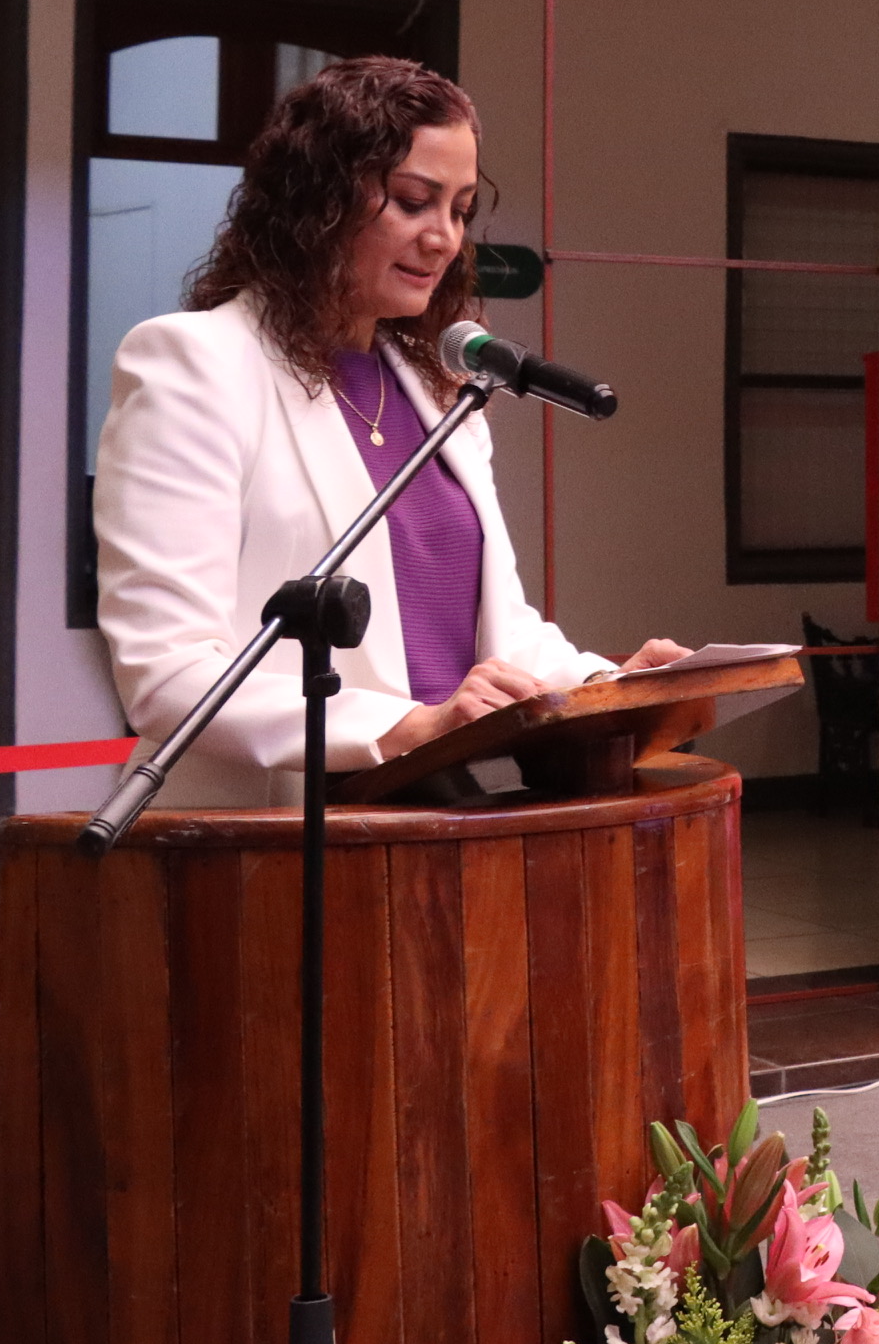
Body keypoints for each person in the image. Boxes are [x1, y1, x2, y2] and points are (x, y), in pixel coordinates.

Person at [92, 58, 684, 807]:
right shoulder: (195, 362)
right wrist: (407, 725)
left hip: (439, 811)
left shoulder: (439, 388)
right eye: (412, 202)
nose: (444, 239)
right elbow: (169, 672)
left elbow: (495, 634)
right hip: (268, 825)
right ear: (317, 201)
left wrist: (611, 686)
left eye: (460, 210)